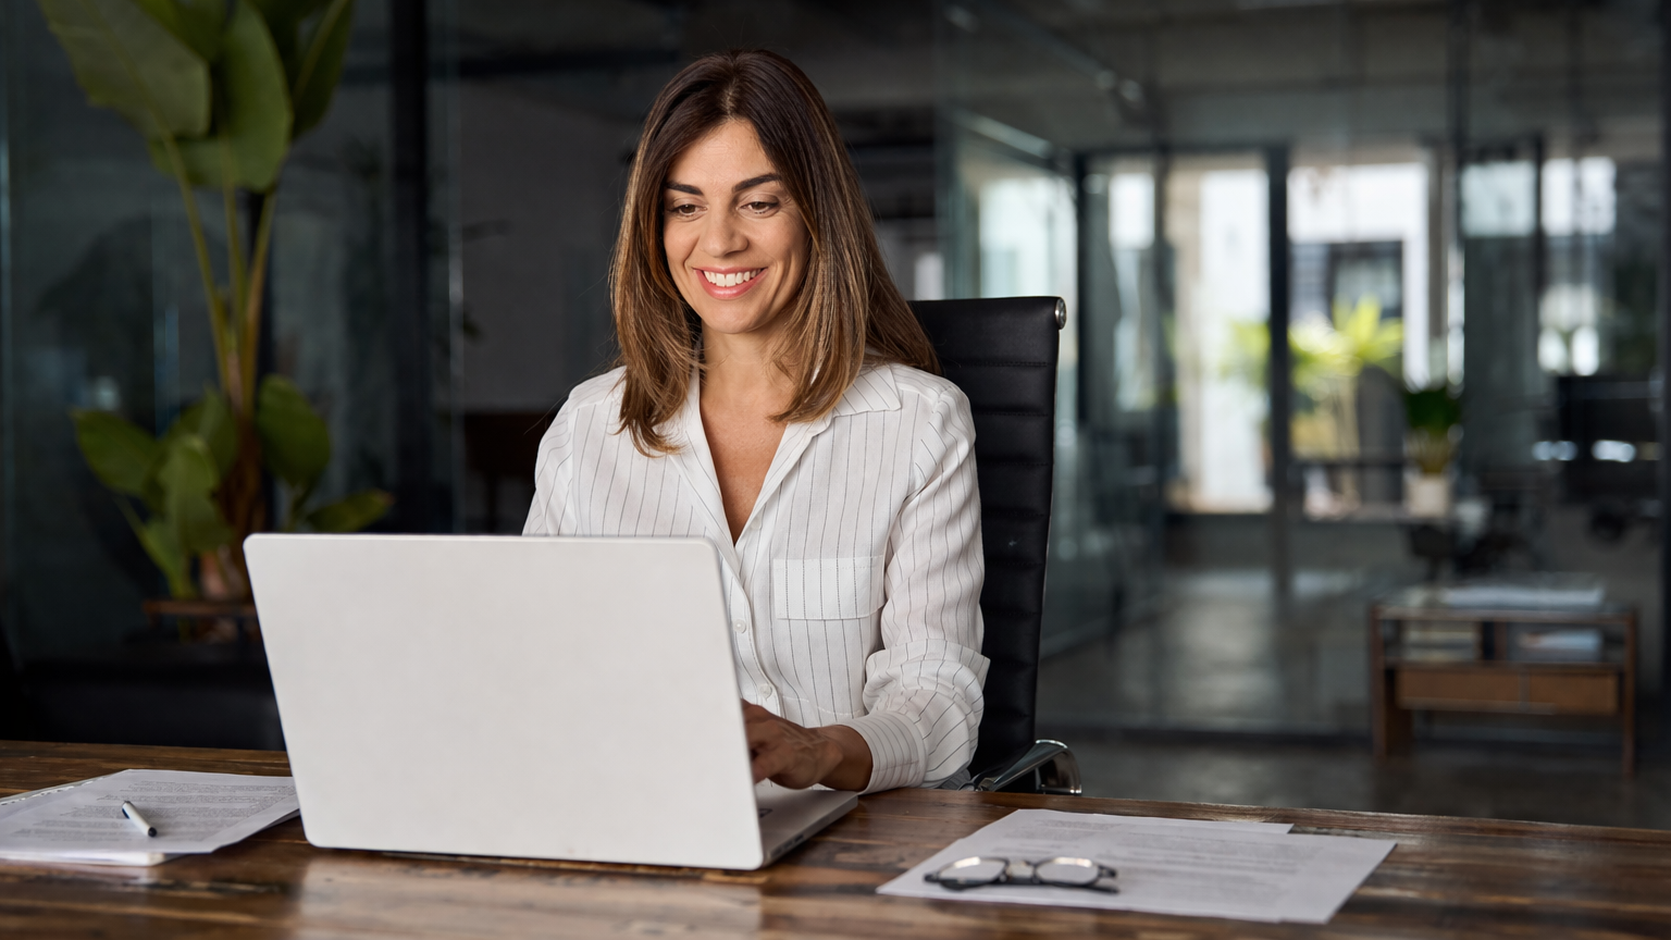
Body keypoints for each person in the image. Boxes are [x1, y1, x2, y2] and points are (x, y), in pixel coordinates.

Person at [524, 50, 986, 794]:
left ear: (815, 212)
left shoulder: (919, 424)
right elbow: (535, 665)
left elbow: (938, 692)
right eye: (684, 205)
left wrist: (821, 752)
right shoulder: (588, 430)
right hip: (642, 821)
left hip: (850, 841)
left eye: (759, 202)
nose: (719, 242)